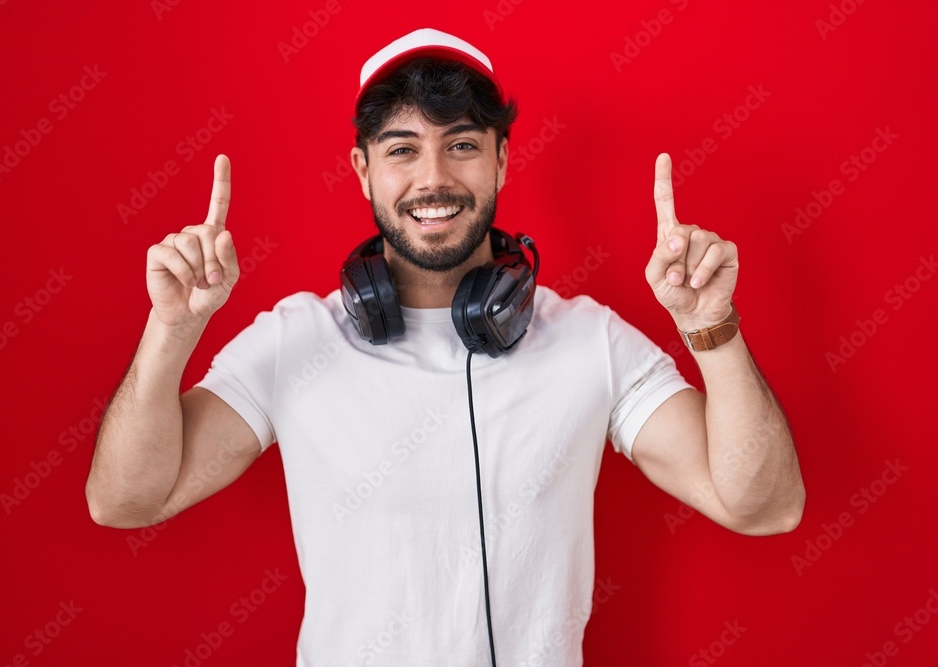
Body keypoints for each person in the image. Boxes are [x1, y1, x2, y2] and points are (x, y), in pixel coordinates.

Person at [85, 28, 805, 666]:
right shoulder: (292, 341)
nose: (433, 178)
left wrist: (711, 326)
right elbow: (123, 500)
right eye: (402, 149)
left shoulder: (589, 339)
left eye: (462, 144)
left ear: (501, 162)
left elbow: (765, 505)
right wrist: (171, 332)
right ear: (364, 170)